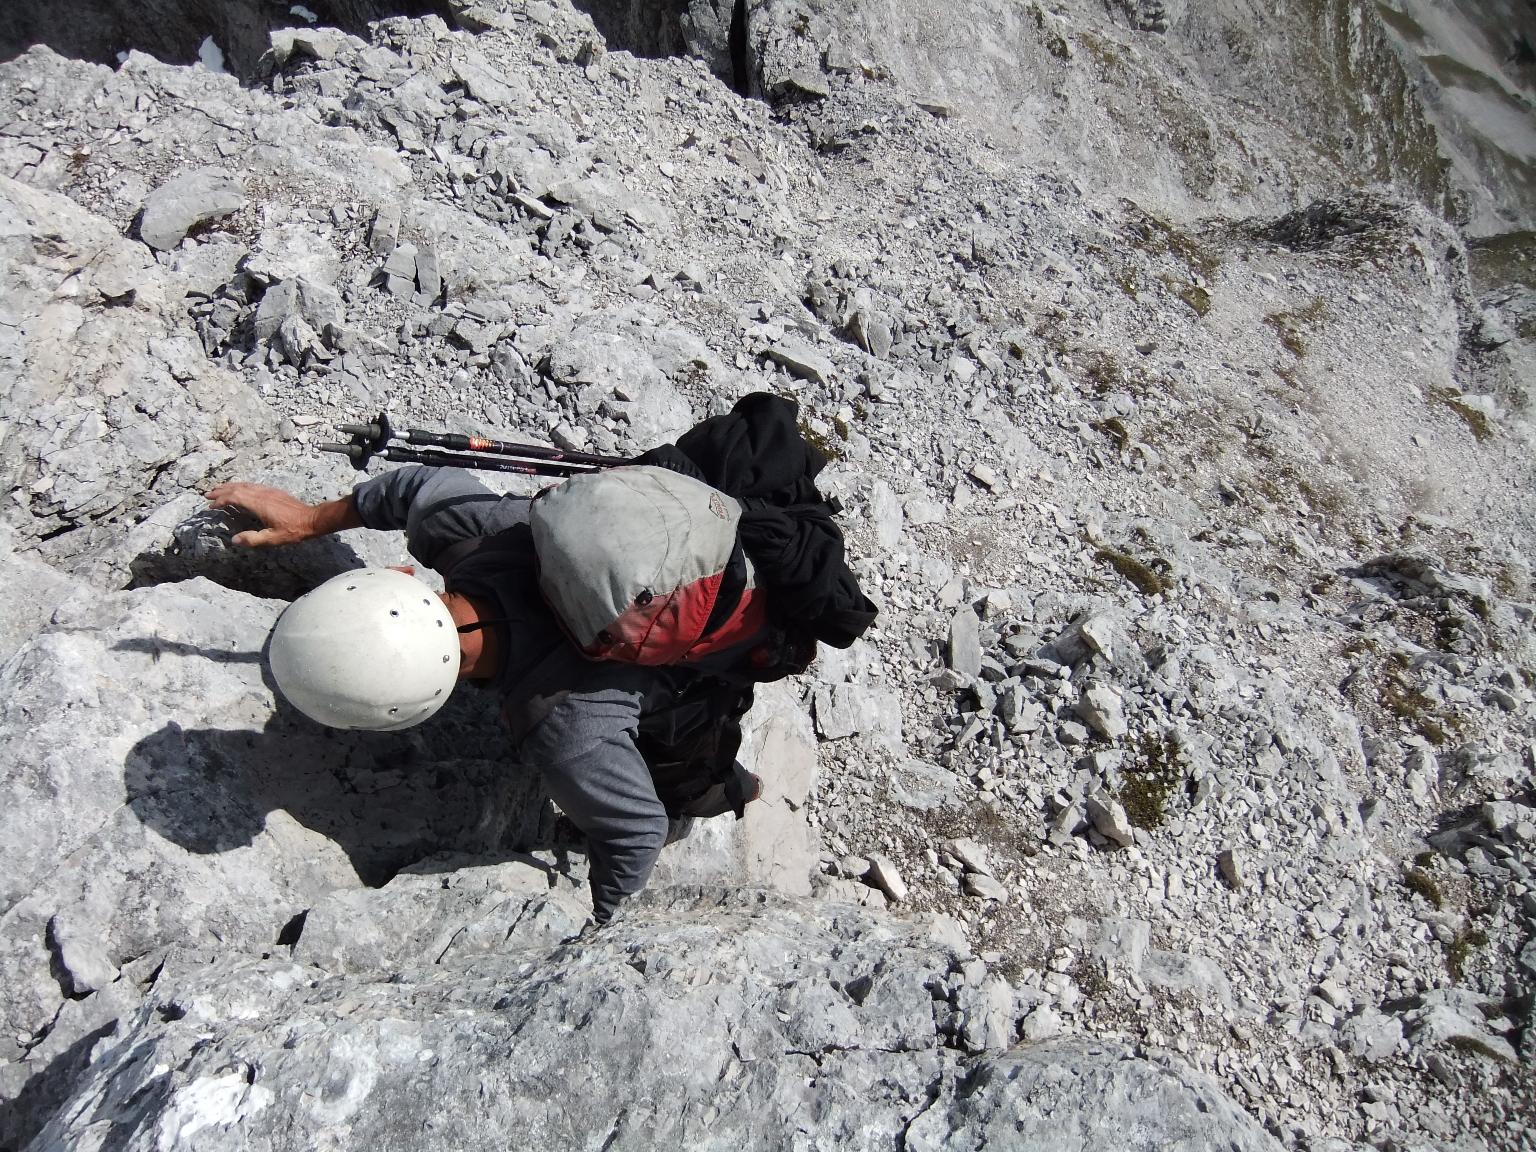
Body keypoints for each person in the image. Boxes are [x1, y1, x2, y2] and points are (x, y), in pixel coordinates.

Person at [208, 393, 877, 925]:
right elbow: (411, 486)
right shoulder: (473, 534)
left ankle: (736, 790)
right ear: (406, 576)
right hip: (693, 522)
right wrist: (309, 519)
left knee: (683, 766)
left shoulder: (565, 728)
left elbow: (637, 832)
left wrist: (604, 925)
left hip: (741, 633)